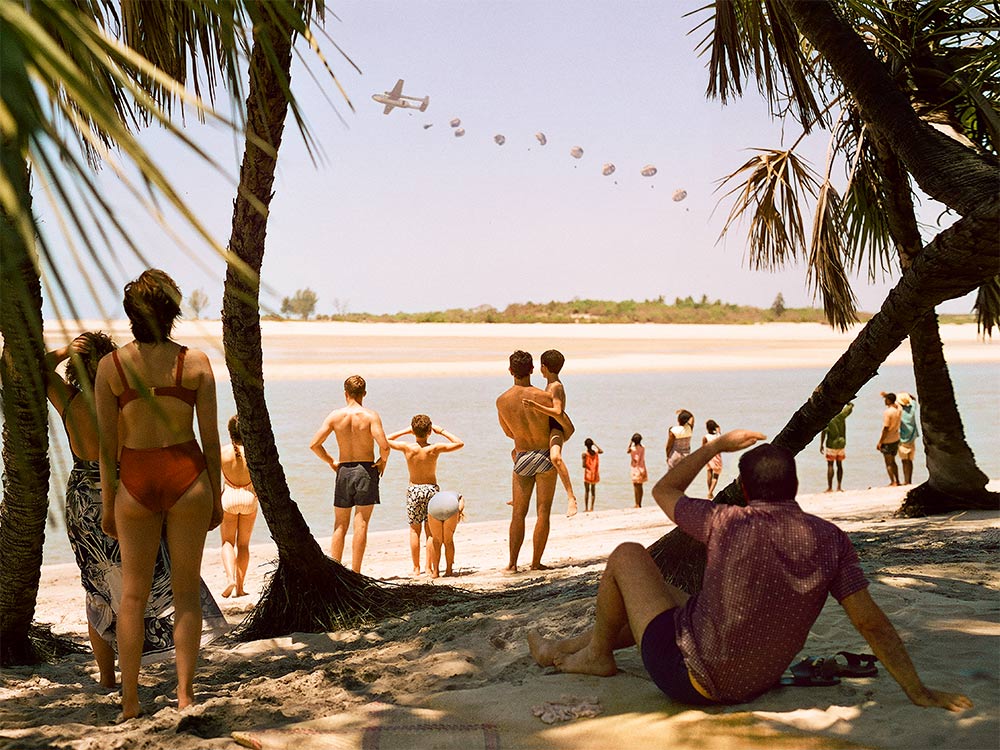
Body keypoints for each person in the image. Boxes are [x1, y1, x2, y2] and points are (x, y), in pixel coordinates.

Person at [527, 430, 973, 713]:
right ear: (794, 486)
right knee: (676, 597)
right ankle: (572, 645)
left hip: (690, 679)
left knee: (627, 555)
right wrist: (917, 689)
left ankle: (597, 656)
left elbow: (664, 489)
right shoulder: (830, 539)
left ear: (744, 488)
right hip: (752, 683)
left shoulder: (726, 520)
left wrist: (716, 446)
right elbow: (869, 621)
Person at [95, 269, 223, 719]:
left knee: (132, 596)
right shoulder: (195, 363)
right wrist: (219, 497)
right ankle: (185, 694)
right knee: (187, 592)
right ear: (173, 311)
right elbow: (211, 441)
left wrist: (110, 504)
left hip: (135, 478)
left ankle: (130, 702)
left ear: (131, 316)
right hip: (188, 476)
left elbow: (106, 450)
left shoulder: (110, 367)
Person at [46, 332, 176, 687]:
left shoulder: (69, 401)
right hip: (129, 490)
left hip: (83, 499)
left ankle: (107, 677)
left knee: (97, 585)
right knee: (149, 575)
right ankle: (157, 657)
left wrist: (63, 352)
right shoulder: (129, 402)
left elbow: (38, 370)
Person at [309, 375, 389, 573]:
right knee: (361, 524)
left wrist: (332, 462)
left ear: (345, 393)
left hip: (344, 470)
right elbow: (384, 446)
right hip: (366, 470)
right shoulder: (371, 416)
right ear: (364, 394)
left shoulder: (335, 416)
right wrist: (382, 463)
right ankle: (356, 572)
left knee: (340, 525)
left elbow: (314, 445)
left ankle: (335, 571)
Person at [496, 350, 558, 572]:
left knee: (518, 513)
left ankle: (512, 564)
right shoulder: (544, 397)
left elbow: (507, 432)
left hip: (522, 457)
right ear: (532, 369)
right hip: (544, 456)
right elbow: (557, 425)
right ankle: (535, 563)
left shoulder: (502, 401)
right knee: (543, 512)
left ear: (510, 371)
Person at [386, 415, 464, 576]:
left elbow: (385, 439)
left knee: (414, 530)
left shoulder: (407, 448)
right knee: (430, 532)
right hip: (431, 490)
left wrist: (407, 431)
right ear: (430, 431)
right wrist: (441, 431)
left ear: (413, 431)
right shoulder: (433, 449)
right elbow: (459, 443)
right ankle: (429, 567)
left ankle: (416, 568)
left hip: (414, 490)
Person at [521, 349, 578, 517]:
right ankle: (518, 496)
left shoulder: (556, 386)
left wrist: (535, 406)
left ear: (543, 367)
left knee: (555, 457)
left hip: (556, 427)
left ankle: (571, 498)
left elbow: (558, 411)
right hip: (546, 427)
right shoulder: (549, 386)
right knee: (517, 452)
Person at [219, 415, 258, 598]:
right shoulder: (254, 452)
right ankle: (240, 588)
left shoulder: (223, 452)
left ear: (230, 432)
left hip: (229, 497)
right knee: (243, 545)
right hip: (249, 497)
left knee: (227, 542)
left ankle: (229, 579)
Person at [427, 491, 466, 578]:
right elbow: (460, 507)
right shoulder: (459, 496)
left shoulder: (437, 496)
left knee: (436, 541)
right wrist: (458, 514)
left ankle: (435, 572)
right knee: (448, 541)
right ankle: (449, 570)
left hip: (434, 507)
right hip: (450, 506)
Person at [820, 402, 854, 492]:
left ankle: (830, 487)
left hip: (831, 444)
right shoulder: (841, 415)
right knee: (839, 465)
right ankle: (839, 487)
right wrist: (845, 401)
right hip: (841, 443)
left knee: (830, 465)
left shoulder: (827, 418)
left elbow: (824, 432)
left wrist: (821, 444)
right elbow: (851, 406)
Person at [877, 392, 902, 486]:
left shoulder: (888, 412)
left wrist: (880, 442)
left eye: (885, 399)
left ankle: (892, 481)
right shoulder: (898, 410)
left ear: (888, 400)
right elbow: (898, 404)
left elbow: (886, 428)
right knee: (894, 461)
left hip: (888, 440)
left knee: (888, 463)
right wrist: (887, 395)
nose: (884, 401)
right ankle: (898, 480)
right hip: (896, 438)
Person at [897, 393, 919, 485]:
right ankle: (909, 480)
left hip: (902, 439)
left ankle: (906, 481)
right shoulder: (912, 409)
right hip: (912, 437)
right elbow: (914, 400)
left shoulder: (900, 411)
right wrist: (908, 395)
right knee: (910, 461)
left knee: (904, 461)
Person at [702, 420, 723, 499]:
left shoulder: (706, 437)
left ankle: (710, 492)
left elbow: (703, 448)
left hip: (708, 456)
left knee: (709, 473)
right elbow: (719, 428)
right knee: (716, 476)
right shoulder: (718, 436)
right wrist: (717, 427)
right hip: (717, 457)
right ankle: (710, 492)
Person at [581, 438, 603, 512]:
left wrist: (583, 459)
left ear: (585, 445)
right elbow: (601, 451)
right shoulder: (596, 453)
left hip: (587, 474)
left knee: (587, 491)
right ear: (591, 445)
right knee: (593, 491)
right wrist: (595, 444)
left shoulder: (584, 454)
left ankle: (586, 508)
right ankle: (592, 508)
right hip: (594, 475)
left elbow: (583, 466)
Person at [627, 433, 648, 508]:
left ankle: (637, 503)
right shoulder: (643, 448)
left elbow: (627, 451)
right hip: (642, 467)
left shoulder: (633, 449)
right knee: (640, 486)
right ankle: (640, 503)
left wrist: (630, 442)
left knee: (636, 486)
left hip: (635, 468)